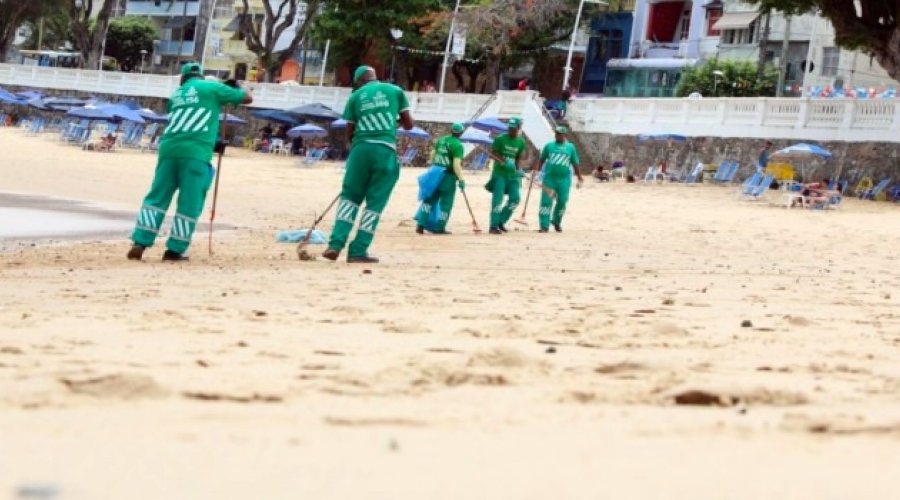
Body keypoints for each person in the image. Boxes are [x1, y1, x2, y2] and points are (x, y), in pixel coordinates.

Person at [126, 62, 252, 262]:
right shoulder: (211, 87)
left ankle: (140, 242)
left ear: (182, 79)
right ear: (200, 76)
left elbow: (186, 124)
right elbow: (247, 98)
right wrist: (234, 87)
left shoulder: (176, 95)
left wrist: (213, 144)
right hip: (196, 154)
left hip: (168, 151)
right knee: (189, 203)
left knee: (157, 198)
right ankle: (174, 250)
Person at [322, 66, 414, 264]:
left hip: (360, 150)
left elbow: (350, 130)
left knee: (349, 198)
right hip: (384, 151)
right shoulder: (395, 91)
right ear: (375, 76)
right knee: (374, 204)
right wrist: (391, 123)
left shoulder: (355, 97)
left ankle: (335, 244)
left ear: (359, 81)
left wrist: (355, 150)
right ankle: (358, 250)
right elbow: (409, 125)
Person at [416, 122, 466, 235]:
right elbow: (456, 165)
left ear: (451, 130)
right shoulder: (458, 145)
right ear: (461, 133)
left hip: (435, 172)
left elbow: (433, 154)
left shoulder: (442, 140)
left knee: (429, 201)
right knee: (446, 204)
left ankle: (420, 225)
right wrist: (461, 179)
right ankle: (439, 228)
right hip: (448, 176)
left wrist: (435, 166)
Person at [535, 126, 584, 232]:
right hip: (549, 179)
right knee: (546, 202)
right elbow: (541, 160)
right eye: (557, 134)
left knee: (562, 201)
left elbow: (575, 163)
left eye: (560, 134)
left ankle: (556, 221)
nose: (558, 136)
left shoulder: (570, 147)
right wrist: (537, 173)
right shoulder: (548, 146)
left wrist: (579, 177)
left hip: (564, 180)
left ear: (565, 135)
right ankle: (544, 226)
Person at [486, 116, 526, 234]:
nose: (511, 130)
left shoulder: (521, 142)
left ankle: (501, 221)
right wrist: (503, 162)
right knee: (497, 200)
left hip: (513, 175)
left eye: (514, 128)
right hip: (500, 174)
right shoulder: (500, 139)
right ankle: (493, 226)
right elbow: (492, 153)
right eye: (510, 128)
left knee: (515, 199)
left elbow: (518, 157)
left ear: (519, 128)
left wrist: (519, 169)